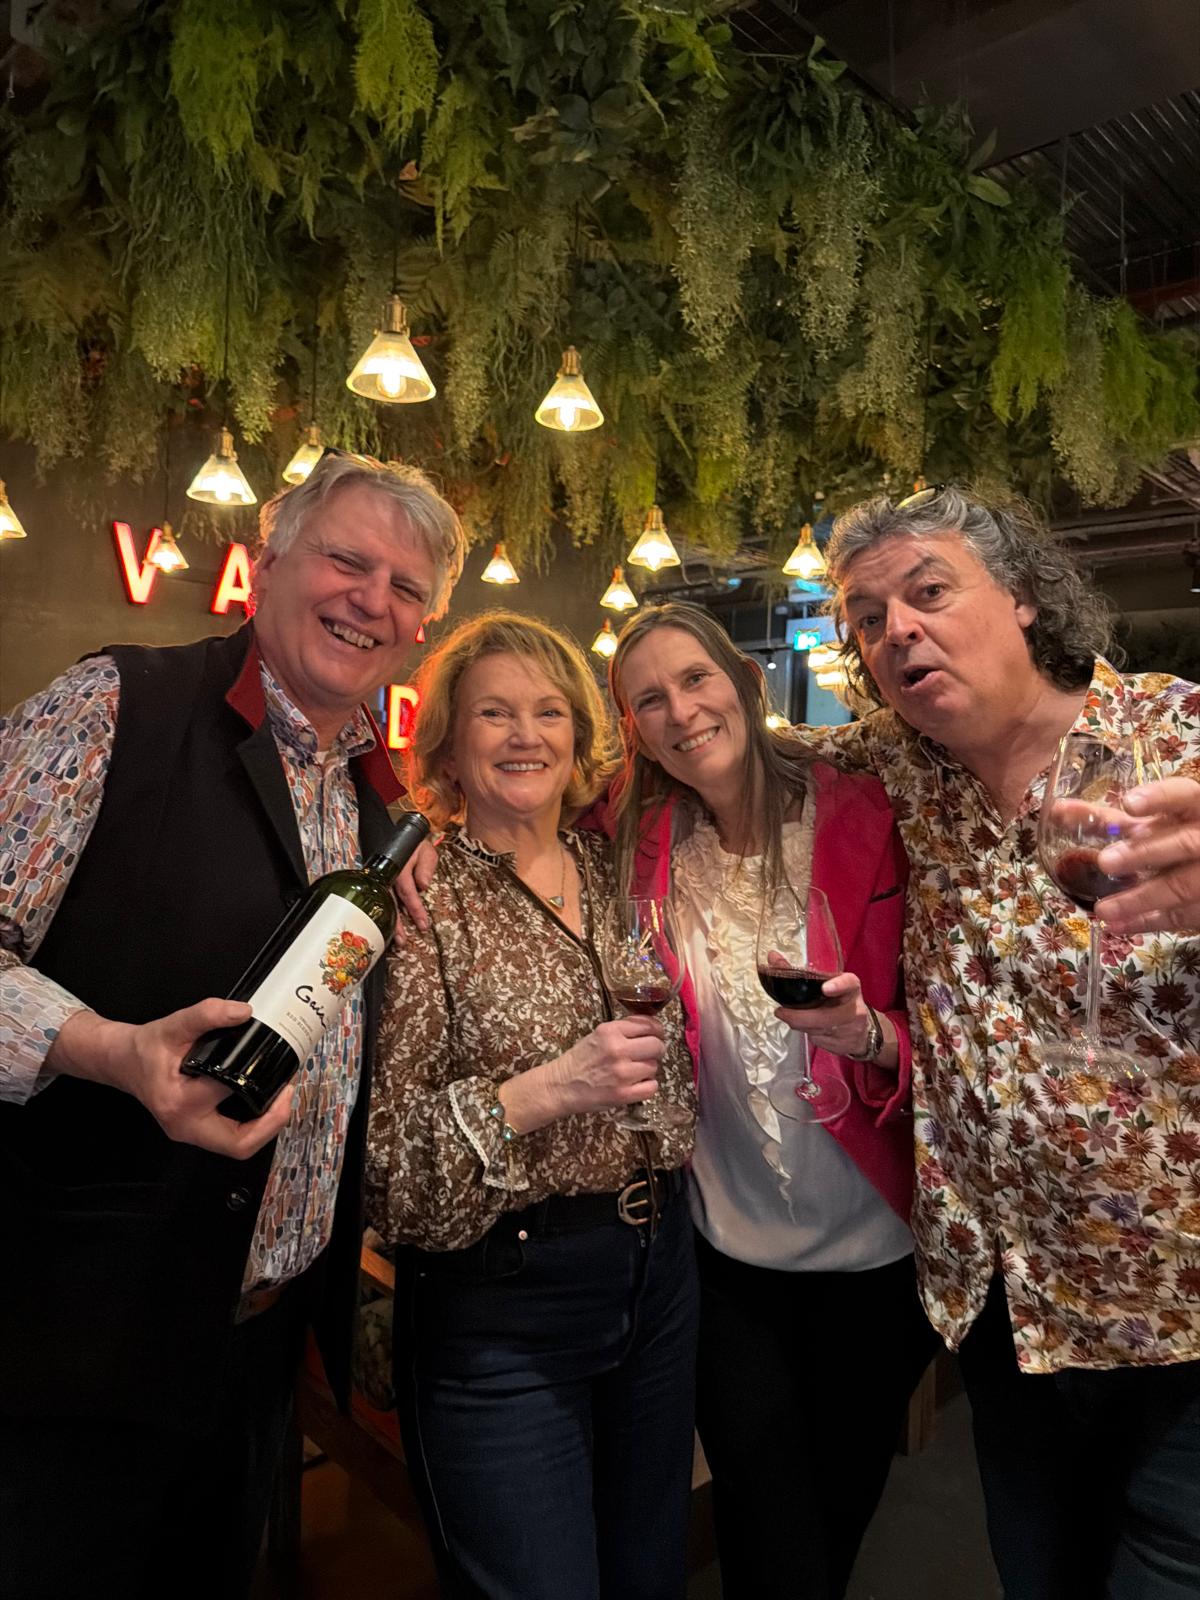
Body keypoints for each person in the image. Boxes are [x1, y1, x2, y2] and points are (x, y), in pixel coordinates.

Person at [0, 451, 466, 1600]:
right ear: (269, 563)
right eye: (348, 559)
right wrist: (107, 1048)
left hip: (262, 1335)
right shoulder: (117, 706)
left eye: (406, 587)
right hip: (78, 1327)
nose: (372, 599)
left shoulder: (374, 798)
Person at [812, 484, 1200, 1600]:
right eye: (870, 620)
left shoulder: (1177, 732)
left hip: (1177, 1311)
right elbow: (730, 751)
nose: (898, 631)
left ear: (1024, 596)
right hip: (1005, 1308)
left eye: (929, 592)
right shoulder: (903, 768)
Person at [606, 602, 938, 1600]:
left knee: (834, 1522)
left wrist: (873, 1035)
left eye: (695, 679)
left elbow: (962, 1019)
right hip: (726, 1263)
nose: (680, 712)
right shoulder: (637, 842)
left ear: (745, 684)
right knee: (767, 1532)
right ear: (634, 731)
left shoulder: (874, 811)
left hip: (879, 1254)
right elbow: (508, 799)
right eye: (649, 700)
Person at [365, 611, 699, 1600]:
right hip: (501, 1303)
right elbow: (390, 1173)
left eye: (550, 712)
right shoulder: (423, 900)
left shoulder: (620, 868)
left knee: (649, 1578)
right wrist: (551, 1089)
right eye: (495, 713)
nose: (526, 735)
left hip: (660, 1274)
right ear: (448, 746)